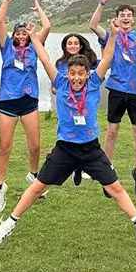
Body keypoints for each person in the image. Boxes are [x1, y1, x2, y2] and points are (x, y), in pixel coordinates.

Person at [0, 20, 136, 246]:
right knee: (37, 187)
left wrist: (112, 35)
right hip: (65, 148)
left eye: (80, 74)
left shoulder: (93, 82)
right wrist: (34, 37)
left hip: (90, 149)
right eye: (72, 73)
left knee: (115, 187)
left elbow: (109, 57)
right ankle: (9, 223)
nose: (76, 78)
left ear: (87, 74)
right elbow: (43, 58)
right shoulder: (61, 83)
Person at [89, 0, 136, 198]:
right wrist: (101, 4)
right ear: (117, 19)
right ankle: (107, 174)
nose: (126, 17)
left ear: (133, 18)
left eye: (129, 14)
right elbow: (92, 26)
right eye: (122, 14)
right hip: (116, 88)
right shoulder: (111, 36)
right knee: (112, 131)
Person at [0, 0, 51, 212]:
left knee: (35, 145)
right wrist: (7, 0)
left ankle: (33, 176)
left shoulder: (35, 46)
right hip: (8, 100)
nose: (20, 36)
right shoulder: (6, 47)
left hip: (29, 100)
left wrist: (39, 9)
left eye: (24, 32)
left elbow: (47, 27)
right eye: (17, 33)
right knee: (4, 146)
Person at [54, 33, 99, 185]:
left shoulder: (90, 62)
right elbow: (56, 85)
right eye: (69, 43)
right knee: (68, 136)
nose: (72, 45)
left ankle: (83, 166)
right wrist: (62, 91)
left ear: (80, 45)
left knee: (84, 134)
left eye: (75, 43)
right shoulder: (60, 64)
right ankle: (74, 167)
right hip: (67, 106)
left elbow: (103, 67)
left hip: (83, 107)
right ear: (65, 46)